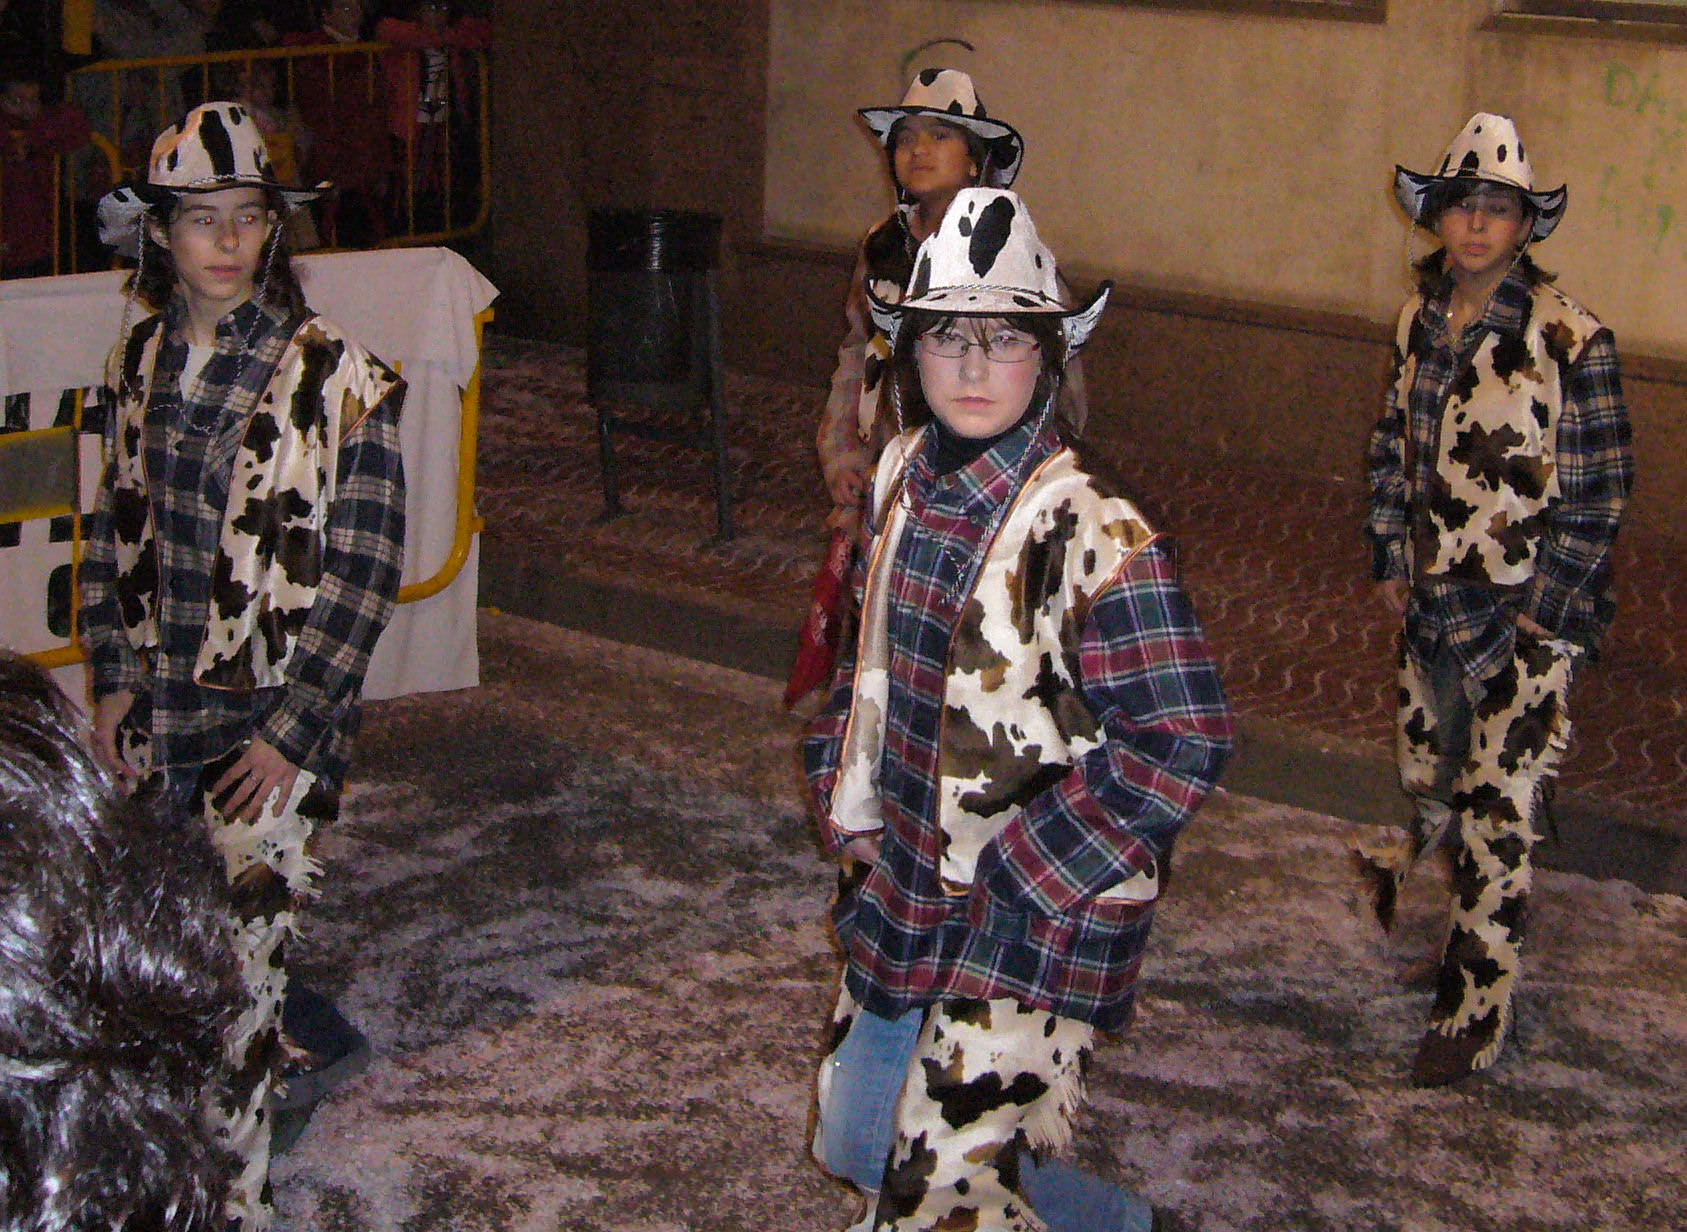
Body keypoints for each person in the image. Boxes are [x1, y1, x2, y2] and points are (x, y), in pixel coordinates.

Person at [803, 187, 1231, 1232]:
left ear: (1048, 355)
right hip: (909, 875)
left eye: (1004, 339)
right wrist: (842, 779)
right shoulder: (902, 475)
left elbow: (1181, 737)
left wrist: (1025, 868)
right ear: (910, 351)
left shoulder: (1093, 530)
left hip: (1032, 908)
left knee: (930, 1189)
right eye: (947, 336)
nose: (972, 366)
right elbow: (871, 651)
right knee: (854, 1142)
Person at [82, 100, 406, 1228]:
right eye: (199, 218)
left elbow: (363, 576)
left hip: (268, 722)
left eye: (248, 216)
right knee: (170, 958)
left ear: (276, 229)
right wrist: (112, 675)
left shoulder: (338, 376)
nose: (225, 240)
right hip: (158, 708)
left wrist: (292, 732)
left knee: (245, 979)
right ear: (158, 235)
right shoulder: (135, 360)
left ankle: (236, 1200)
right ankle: (190, 1159)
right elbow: (109, 528)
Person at [1357, 113, 1634, 1087]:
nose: (1476, 225)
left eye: (1497, 209)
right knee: (1431, 775)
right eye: (1461, 205)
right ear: (1436, 218)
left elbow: (1599, 490)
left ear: (1524, 225)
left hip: (1523, 615)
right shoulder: (1418, 321)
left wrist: (1543, 606)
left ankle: (1473, 1008)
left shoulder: (1569, 337)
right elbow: (1391, 443)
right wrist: (1390, 553)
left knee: (1494, 808)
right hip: (1435, 605)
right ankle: (1456, 925)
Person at [790, 68, 1089, 709]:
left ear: (976, 157)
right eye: (906, 138)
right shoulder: (883, 249)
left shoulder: (1010, 252)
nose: (918, 150)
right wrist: (842, 454)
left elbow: (1058, 379)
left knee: (966, 654)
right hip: (888, 482)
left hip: (980, 492)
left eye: (940, 135)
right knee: (876, 646)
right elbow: (857, 356)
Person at [0, 650, 242, 1231]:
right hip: (153, 724)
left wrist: (293, 736)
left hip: (250, 726)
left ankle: (240, 1174)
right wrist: (114, 685)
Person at [0, 61, 89, 278]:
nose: (26, 109)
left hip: (37, 237)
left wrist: (31, 140)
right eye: (17, 101)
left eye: (33, 101)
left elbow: (77, 125)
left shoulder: (41, 126)